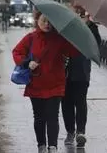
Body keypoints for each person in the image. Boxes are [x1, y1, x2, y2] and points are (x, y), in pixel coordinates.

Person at [12, 10, 79, 153]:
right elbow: (17, 52)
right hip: (35, 84)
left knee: (53, 115)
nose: (47, 24)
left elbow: (73, 52)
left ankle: (53, 147)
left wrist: (71, 36)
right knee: (39, 116)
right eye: (44, 21)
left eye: (50, 22)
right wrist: (26, 62)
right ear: (37, 20)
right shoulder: (30, 38)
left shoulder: (60, 39)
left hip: (56, 84)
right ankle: (41, 145)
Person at [61, 5, 101, 148]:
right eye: (76, 14)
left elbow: (97, 45)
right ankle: (70, 132)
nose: (79, 17)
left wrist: (91, 25)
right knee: (66, 104)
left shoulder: (90, 29)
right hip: (63, 72)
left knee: (80, 102)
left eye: (82, 15)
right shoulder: (64, 28)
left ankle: (81, 132)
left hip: (81, 72)